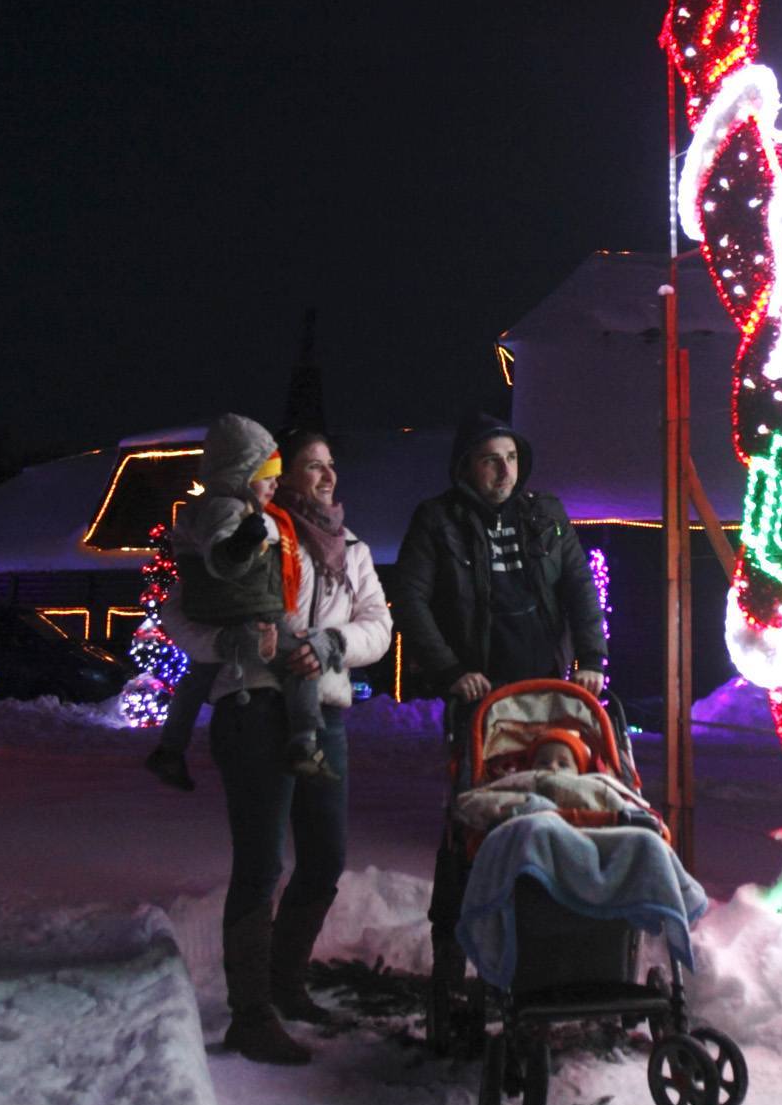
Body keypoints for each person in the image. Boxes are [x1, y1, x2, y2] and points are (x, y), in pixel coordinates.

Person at [391, 412, 606, 1024]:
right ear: (465, 466)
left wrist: (590, 656)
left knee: (559, 807)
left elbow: (577, 588)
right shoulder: (438, 521)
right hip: (479, 697)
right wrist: (451, 669)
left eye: (510, 458)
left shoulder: (547, 514)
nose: (503, 470)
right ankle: (451, 963)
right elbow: (409, 597)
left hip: (546, 693)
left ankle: (557, 946)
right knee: (472, 826)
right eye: (490, 459)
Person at [189, 417, 392, 1066]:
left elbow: (378, 627)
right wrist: (231, 644)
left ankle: (284, 981)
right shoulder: (253, 528)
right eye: (312, 464)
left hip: (323, 711)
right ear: (282, 474)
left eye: (332, 464)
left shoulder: (350, 546)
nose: (327, 475)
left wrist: (330, 646)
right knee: (260, 861)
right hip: (253, 706)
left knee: (325, 854)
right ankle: (250, 1014)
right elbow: (181, 612)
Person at [165, 433, 332, 780]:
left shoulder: (228, 510)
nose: (274, 485)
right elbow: (223, 555)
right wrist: (242, 545)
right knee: (303, 658)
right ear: (243, 478)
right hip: (245, 614)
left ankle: (170, 749)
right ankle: (304, 741)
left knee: (198, 675)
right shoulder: (233, 511)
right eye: (267, 478)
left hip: (227, 612)